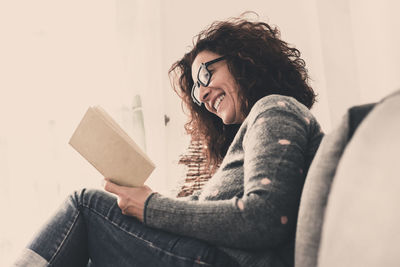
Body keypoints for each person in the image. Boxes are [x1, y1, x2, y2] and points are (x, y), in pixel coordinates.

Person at [13, 14, 323, 267]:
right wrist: (144, 203)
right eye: (195, 92)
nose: (201, 95)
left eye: (205, 74)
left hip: (223, 261)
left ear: (245, 60)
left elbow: (262, 218)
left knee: (84, 204)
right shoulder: (260, 124)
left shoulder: (274, 109)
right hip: (214, 255)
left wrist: (152, 208)